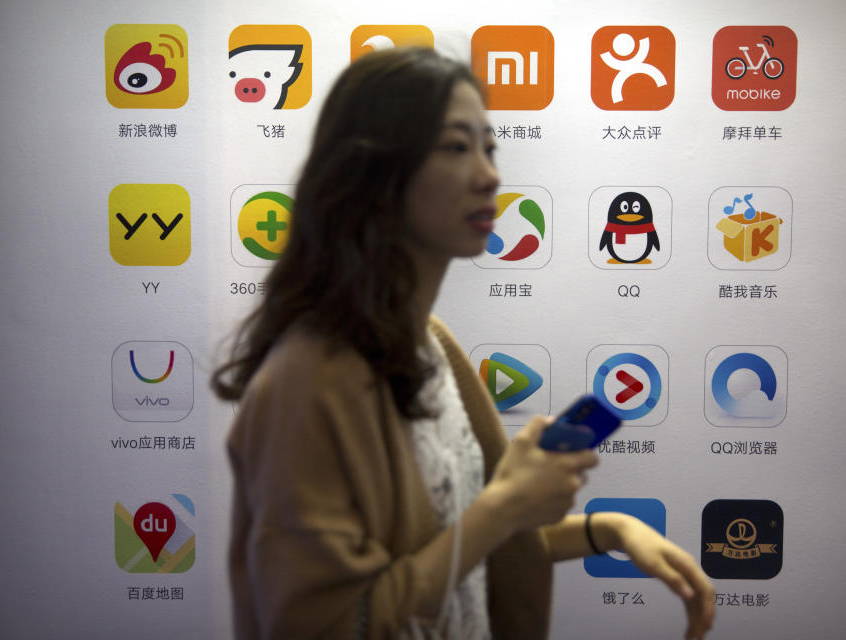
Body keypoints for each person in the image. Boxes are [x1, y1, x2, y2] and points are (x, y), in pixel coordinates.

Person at [212, 46, 714, 640]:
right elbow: (326, 624)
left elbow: (467, 547)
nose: (490, 174)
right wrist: (504, 506)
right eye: (455, 147)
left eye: (489, 146)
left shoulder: (430, 345)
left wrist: (608, 531)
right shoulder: (312, 379)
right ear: (371, 174)